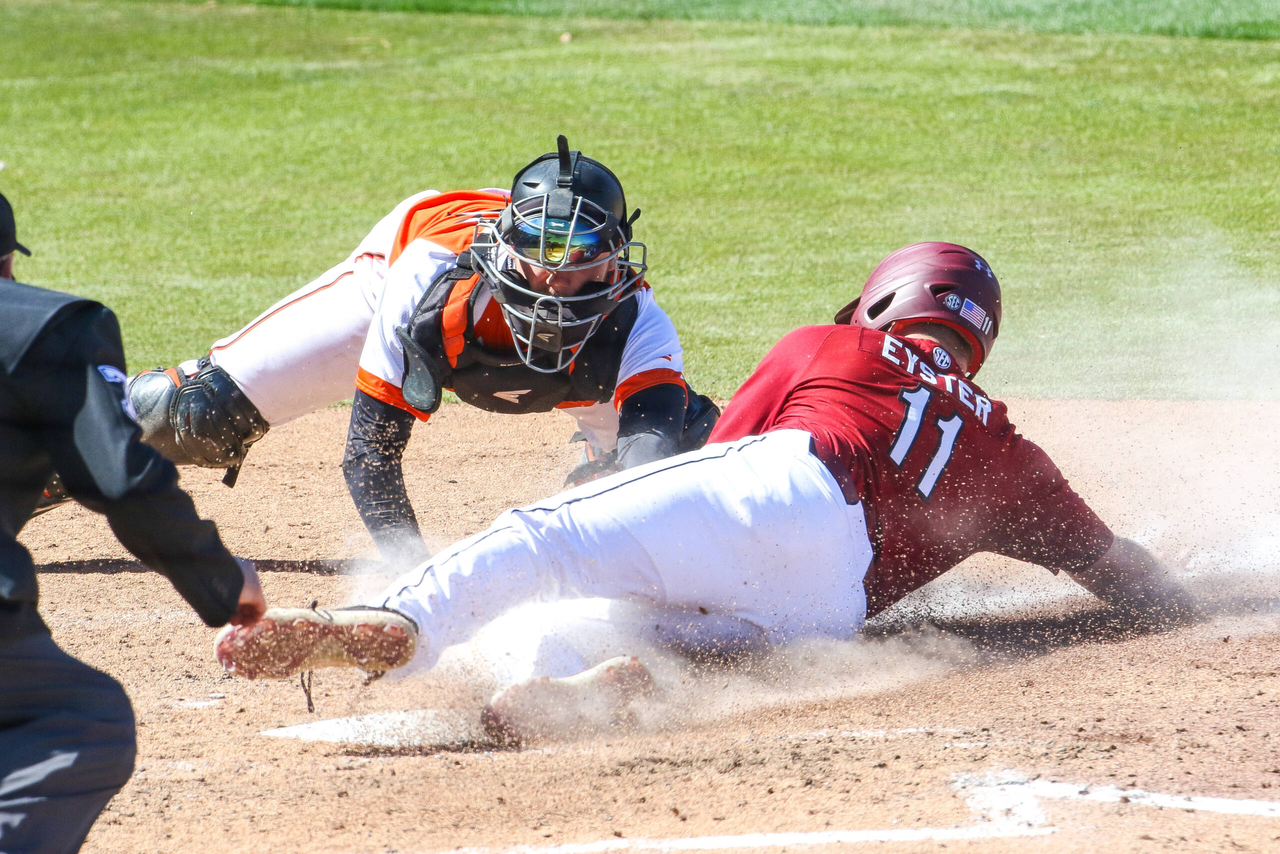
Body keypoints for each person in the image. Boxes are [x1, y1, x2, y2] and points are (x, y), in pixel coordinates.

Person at [213, 241, 1197, 742]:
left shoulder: (836, 341)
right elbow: (1119, 571)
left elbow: (723, 455)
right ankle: (592, 688)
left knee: (544, 543)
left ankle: (398, 620)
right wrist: (1205, 610)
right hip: (828, 607)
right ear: (973, 337)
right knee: (632, 621)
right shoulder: (1005, 444)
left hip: (783, 486)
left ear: (887, 298)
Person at [112, 137, 718, 564]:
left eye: (585, 256)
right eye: (539, 255)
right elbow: (369, 457)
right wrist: (413, 574)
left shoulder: (640, 323)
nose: (556, 280)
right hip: (396, 267)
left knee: (683, 455)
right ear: (505, 250)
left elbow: (650, 473)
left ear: (618, 257)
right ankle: (56, 443)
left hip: (581, 356)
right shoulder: (429, 282)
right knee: (200, 417)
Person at [0, 192, 266, 853]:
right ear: (7, 261)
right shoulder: (45, 327)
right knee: (79, 722)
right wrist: (221, 578)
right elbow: (118, 477)